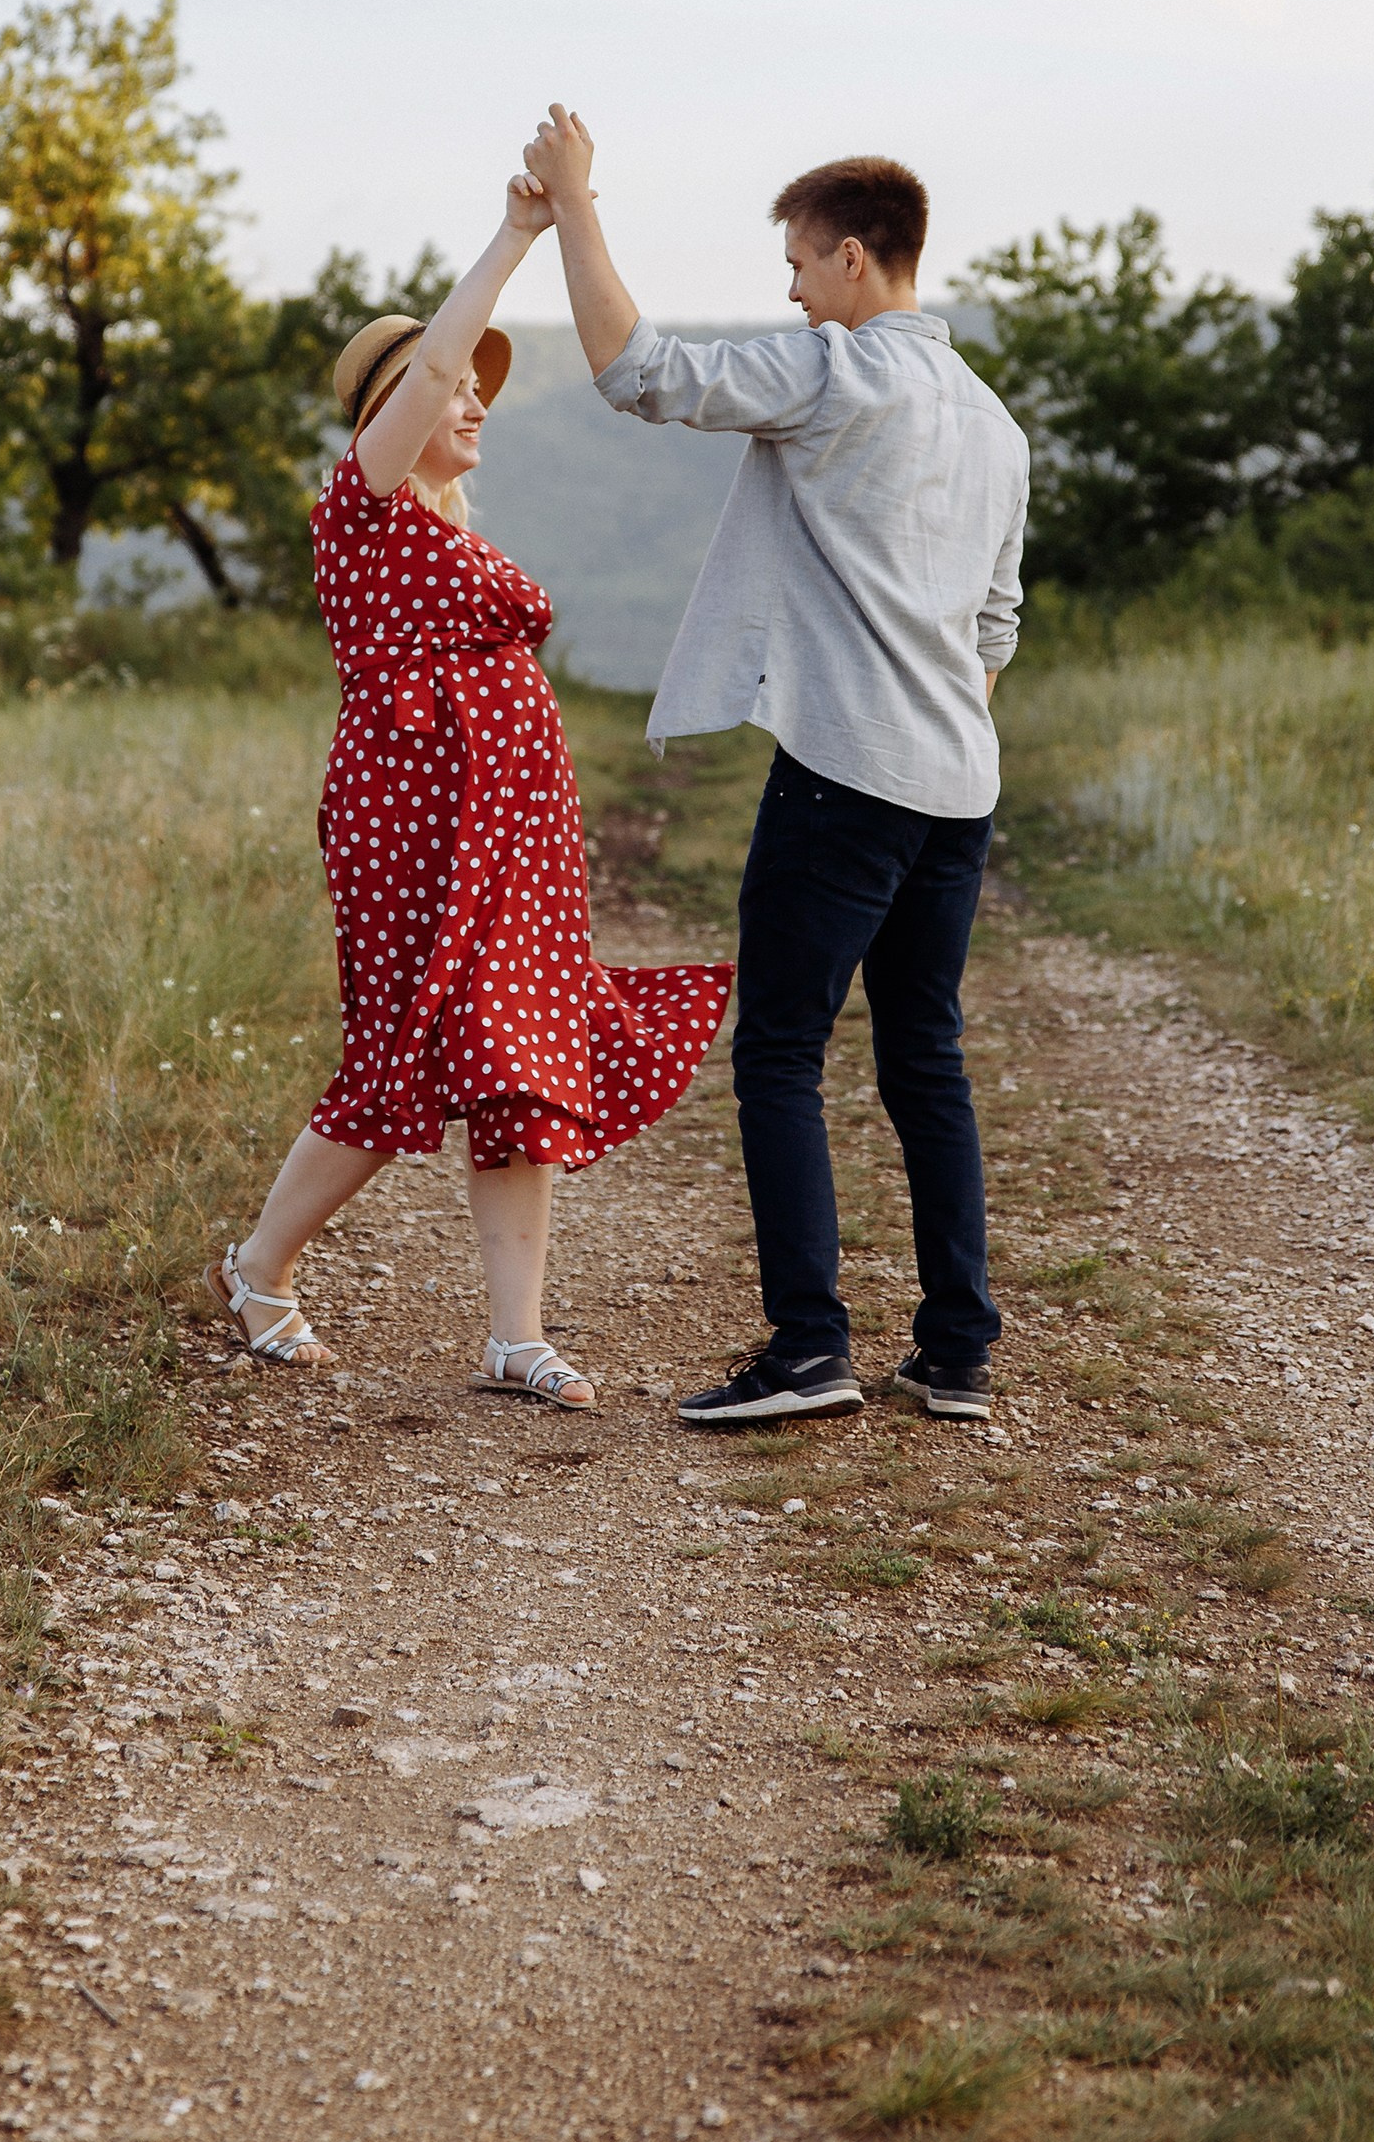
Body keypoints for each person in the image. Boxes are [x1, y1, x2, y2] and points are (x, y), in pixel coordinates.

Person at [521, 106, 1028, 1427]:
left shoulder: (837, 375)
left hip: (848, 776)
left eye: (801, 266)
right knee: (927, 1058)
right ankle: (957, 1353)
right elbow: (994, 630)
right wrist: (929, 723)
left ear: (857, 261)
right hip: (957, 785)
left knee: (781, 1054)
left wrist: (577, 204)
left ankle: (809, 1351)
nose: (792, 293)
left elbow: (639, 373)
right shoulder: (995, 426)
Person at [210, 170, 732, 1407]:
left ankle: (514, 1333)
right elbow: (438, 368)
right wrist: (520, 234)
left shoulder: (453, 532)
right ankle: (260, 1267)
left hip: (511, 823)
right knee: (398, 1052)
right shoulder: (366, 508)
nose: (477, 401)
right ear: (393, 406)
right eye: (456, 387)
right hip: (411, 820)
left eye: (486, 390)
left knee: (523, 1058)